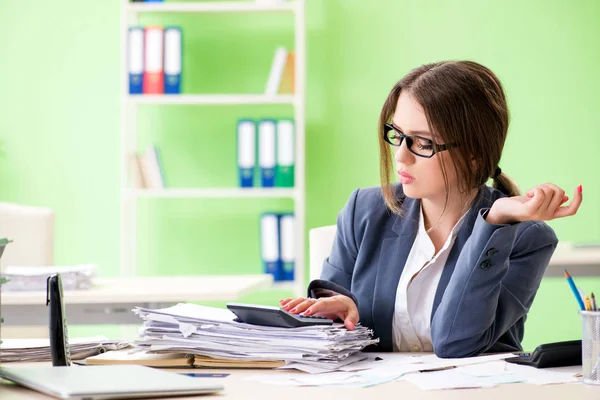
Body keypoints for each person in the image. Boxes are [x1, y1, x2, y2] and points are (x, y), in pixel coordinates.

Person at [280, 60, 582, 358]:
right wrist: (338, 311)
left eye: (422, 143)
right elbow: (323, 328)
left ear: (474, 154)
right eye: (397, 135)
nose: (401, 156)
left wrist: (495, 222)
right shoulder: (364, 211)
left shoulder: (527, 239)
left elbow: (457, 342)